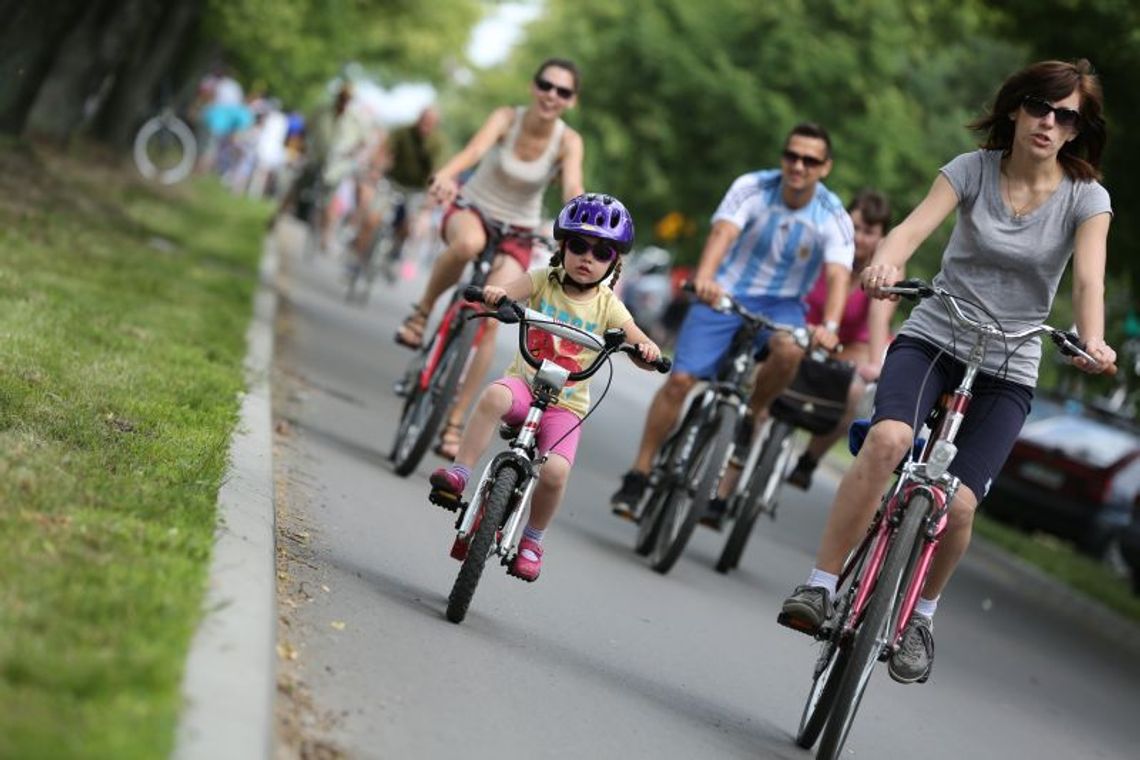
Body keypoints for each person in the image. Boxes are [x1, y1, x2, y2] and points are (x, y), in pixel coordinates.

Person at [779, 59, 1116, 685]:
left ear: (1077, 130)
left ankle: (920, 618)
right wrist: (886, 264)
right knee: (888, 440)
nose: (1049, 123)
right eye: (1039, 107)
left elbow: (1089, 281)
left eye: (1066, 116)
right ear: (1016, 108)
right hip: (936, 336)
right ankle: (820, 584)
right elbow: (908, 232)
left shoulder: (1086, 198)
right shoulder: (971, 170)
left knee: (959, 504)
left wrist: (1091, 340)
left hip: (1011, 364)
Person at [610, 123, 855, 519]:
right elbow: (723, 233)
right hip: (724, 292)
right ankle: (639, 474)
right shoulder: (753, 187)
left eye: (810, 161)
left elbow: (838, 274)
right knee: (679, 381)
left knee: (791, 350)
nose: (798, 166)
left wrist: (829, 326)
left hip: (783, 306)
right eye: (792, 156)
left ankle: (750, 416)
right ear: (783, 157)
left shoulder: (833, 214)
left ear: (825, 167)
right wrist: (705, 279)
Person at [428, 194, 662, 581]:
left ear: (615, 263)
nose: (587, 258)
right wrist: (496, 295)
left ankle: (532, 540)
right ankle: (460, 473)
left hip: (565, 409)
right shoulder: (541, 281)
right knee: (494, 396)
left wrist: (647, 350)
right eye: (579, 246)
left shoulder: (609, 307)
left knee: (554, 473)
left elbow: (637, 342)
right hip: (524, 386)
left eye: (602, 252)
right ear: (562, 247)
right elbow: (506, 291)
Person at [394, 59, 586, 460]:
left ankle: (454, 422)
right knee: (467, 244)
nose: (552, 95)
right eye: (546, 85)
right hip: (473, 208)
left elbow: (572, 186)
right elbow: (474, 151)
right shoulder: (506, 118)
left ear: (571, 100)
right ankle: (421, 313)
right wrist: (446, 176)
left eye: (563, 91)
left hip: (519, 230)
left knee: (495, 312)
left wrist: (581, 225)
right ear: (533, 86)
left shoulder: (569, 141)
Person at [785, 189, 897, 490]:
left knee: (854, 391)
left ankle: (809, 459)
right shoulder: (825, 247)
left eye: (869, 232)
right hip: (807, 328)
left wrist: (874, 363)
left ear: (881, 238)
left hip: (851, 345)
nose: (859, 238)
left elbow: (879, 316)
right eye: (854, 227)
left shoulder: (886, 269)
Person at [351, 105, 446, 280]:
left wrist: (432, 195)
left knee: (407, 226)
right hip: (392, 182)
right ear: (419, 118)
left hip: (416, 190)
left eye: (430, 123)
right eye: (424, 120)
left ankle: (394, 253)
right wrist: (376, 169)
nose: (425, 126)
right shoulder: (403, 132)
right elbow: (384, 150)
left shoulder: (437, 143)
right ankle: (357, 260)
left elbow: (437, 170)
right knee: (372, 219)